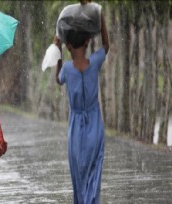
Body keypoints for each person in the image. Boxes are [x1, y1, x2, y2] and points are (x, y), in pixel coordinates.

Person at [54, 2, 109, 203]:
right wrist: (99, 15)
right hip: (95, 124)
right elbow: (106, 46)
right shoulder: (94, 62)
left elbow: (58, 79)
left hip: (75, 127)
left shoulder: (67, 69)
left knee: (78, 171)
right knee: (95, 168)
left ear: (68, 46)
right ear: (87, 41)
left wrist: (57, 50)